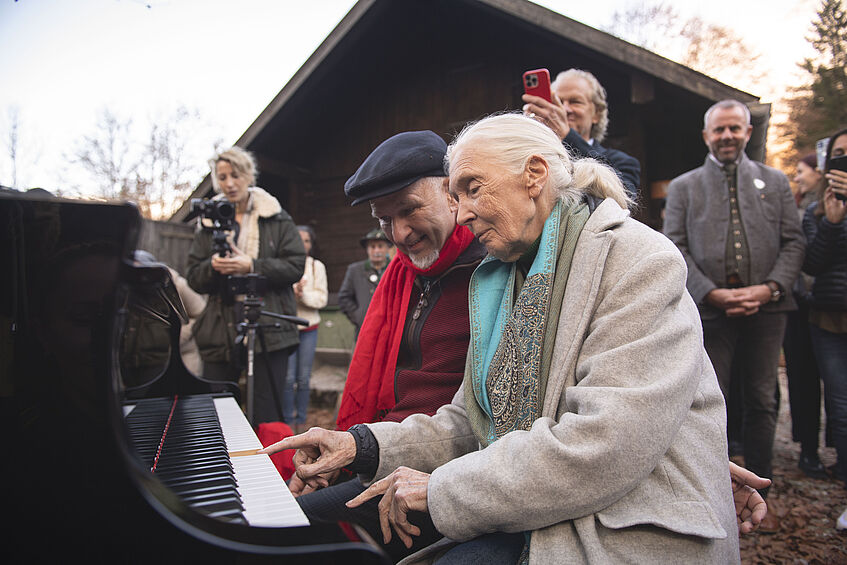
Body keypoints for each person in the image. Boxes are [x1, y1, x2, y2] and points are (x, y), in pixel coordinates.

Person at [265, 113, 740, 563]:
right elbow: (471, 420)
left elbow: (605, 444)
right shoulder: (507, 275)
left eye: (472, 189)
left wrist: (439, 489)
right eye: (456, 194)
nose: (463, 213)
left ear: (534, 175)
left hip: (623, 522)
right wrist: (360, 446)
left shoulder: (638, 260)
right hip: (545, 503)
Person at [293, 130, 487, 562]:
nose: (398, 235)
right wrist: (348, 447)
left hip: (443, 469)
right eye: (383, 220)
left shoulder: (491, 271)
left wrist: (361, 448)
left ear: (451, 192)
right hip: (382, 448)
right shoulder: (406, 276)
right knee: (285, 521)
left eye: (410, 210)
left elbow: (477, 423)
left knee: (294, 531)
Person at [663, 100, 806, 515]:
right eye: (719, 129)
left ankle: (763, 489)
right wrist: (710, 293)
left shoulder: (775, 182)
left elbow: (794, 241)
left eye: (735, 129)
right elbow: (675, 247)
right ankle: (718, 491)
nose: (727, 136)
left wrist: (770, 288)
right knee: (712, 399)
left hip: (769, 310)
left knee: (763, 399)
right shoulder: (685, 186)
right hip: (711, 312)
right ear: (706, 136)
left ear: (747, 133)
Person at [186, 146, 305, 427]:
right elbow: (193, 276)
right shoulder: (207, 220)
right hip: (220, 326)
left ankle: (269, 467)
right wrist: (213, 267)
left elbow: (295, 265)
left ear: (249, 175)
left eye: (235, 175)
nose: (229, 183)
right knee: (218, 410)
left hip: (267, 324)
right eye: (222, 176)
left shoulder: (275, 216)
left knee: (266, 412)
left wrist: (252, 266)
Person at [801, 129, 847, 520]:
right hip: (829, 319)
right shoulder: (817, 209)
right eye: (839, 154)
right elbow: (812, 263)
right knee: (841, 405)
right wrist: (832, 223)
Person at [521, 68, 641, 201]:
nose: (565, 109)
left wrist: (567, 136)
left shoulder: (623, 163)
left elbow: (622, 202)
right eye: (559, 102)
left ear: (597, 114)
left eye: (575, 101)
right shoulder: (534, 157)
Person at [785, 153, 827, 478]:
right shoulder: (798, 206)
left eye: (802, 172)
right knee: (802, 380)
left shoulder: (824, 210)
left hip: (828, 304)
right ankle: (808, 447)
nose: (797, 178)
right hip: (801, 305)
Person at [286, 225, 328, 434]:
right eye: (298, 239)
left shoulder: (316, 267)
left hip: (309, 329)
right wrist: (291, 293)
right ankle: (286, 420)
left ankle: (300, 419)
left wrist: (302, 296)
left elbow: (322, 298)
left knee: (303, 377)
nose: (303, 244)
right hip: (288, 328)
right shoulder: (284, 265)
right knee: (287, 378)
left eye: (307, 240)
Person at [337, 227, 394, 342]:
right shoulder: (355, 270)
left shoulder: (395, 269)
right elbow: (344, 298)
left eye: (380, 246)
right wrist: (358, 316)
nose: (376, 251)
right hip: (364, 331)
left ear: (388, 248)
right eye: (372, 247)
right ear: (367, 250)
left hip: (391, 331)